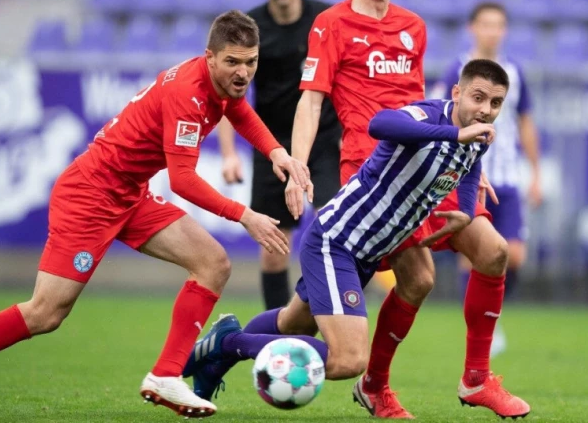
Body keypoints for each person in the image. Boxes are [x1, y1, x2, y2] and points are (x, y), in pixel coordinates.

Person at [0, 10, 312, 422]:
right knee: (46, 312)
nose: (243, 72)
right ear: (209, 56)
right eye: (233, 62)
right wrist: (245, 215)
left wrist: (277, 152)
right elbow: (184, 181)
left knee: (213, 263)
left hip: (130, 194)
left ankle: (165, 375)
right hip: (90, 195)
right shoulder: (187, 93)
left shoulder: (219, 83)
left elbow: (236, 109)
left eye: (250, 61)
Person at [279, 0, 528, 419]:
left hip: (428, 164)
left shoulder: (413, 27)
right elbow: (311, 101)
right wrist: (296, 165)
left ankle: (476, 380)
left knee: (494, 252)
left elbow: (420, 106)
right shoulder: (330, 24)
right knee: (330, 308)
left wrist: (462, 164)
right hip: (373, 174)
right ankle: (244, 346)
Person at [184, 61, 518, 409]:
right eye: (478, 98)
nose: (485, 110)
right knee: (348, 360)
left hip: (365, 253)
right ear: (457, 93)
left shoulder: (478, 136)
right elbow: (381, 123)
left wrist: (466, 211)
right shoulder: (430, 116)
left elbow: (470, 165)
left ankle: (217, 359)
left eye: (495, 103)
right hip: (337, 243)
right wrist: (453, 135)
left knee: (291, 324)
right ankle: (228, 343)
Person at [218, 0, 341, 311]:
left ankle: (338, 319)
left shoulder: (326, 21)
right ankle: (276, 333)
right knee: (274, 250)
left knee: (335, 233)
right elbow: (227, 96)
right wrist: (228, 154)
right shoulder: (249, 30)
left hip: (324, 142)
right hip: (272, 147)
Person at [432, 1, 542, 358]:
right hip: (471, 173)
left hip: (508, 176)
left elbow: (525, 122)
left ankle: (488, 317)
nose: (492, 31)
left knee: (516, 255)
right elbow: (440, 115)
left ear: (504, 30)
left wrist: (536, 172)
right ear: (473, 28)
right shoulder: (458, 69)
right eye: (486, 24)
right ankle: (480, 331)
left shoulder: (515, 72)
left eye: (498, 25)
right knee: (475, 253)